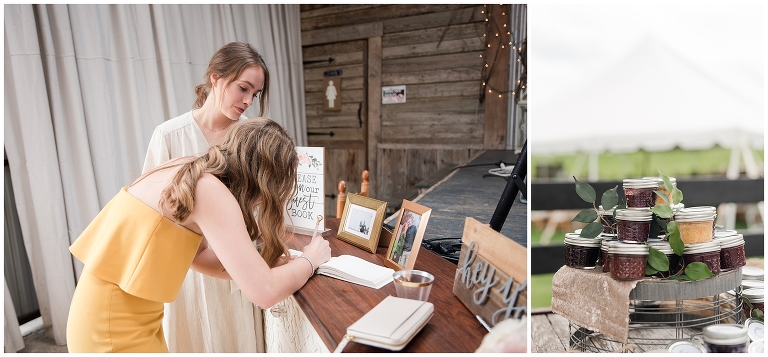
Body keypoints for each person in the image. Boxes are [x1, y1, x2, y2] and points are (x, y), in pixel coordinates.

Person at [66, 119, 332, 352]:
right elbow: (265, 292)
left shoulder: (187, 169)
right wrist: (310, 260)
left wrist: (259, 266)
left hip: (102, 315)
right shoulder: (210, 192)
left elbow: (198, 256)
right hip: (113, 329)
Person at [141, 42, 271, 352]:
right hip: (187, 271)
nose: (248, 101)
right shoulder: (169, 135)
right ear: (215, 78)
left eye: (255, 94)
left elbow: (261, 204)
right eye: (243, 88)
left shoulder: (251, 138)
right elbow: (150, 211)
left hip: (238, 267)